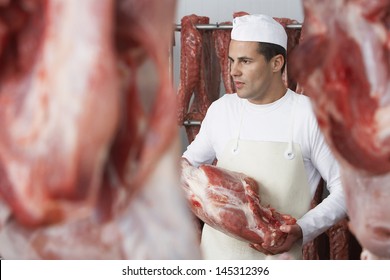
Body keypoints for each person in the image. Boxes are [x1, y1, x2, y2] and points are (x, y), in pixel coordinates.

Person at [181, 14, 347, 260]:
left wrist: (303, 229)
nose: (234, 71)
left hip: (278, 261)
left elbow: (345, 190)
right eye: (231, 61)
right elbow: (185, 169)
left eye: (246, 61)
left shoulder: (308, 115)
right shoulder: (223, 109)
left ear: (276, 63)